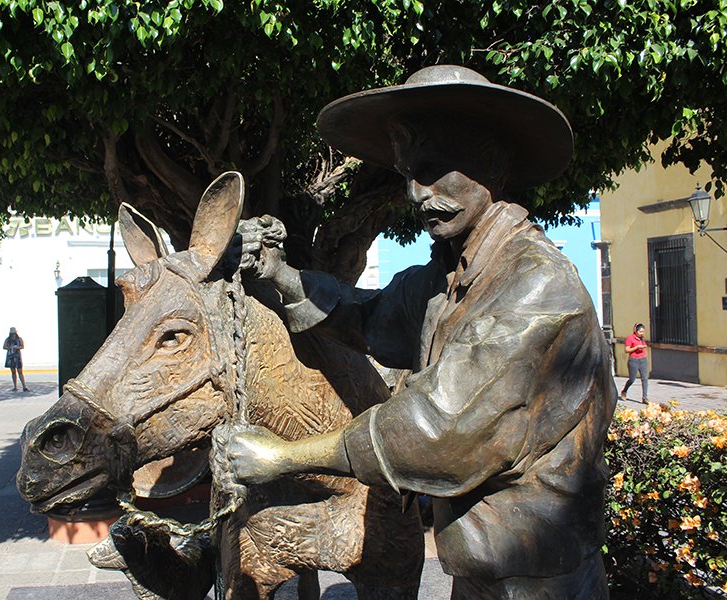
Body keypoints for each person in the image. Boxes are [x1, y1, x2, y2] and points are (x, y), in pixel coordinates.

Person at [219, 65, 616, 599]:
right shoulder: (448, 276)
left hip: (539, 576)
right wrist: (282, 275)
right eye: (408, 173)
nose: (417, 193)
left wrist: (284, 457)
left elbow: (433, 426)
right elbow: (369, 315)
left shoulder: (537, 285)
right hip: (482, 569)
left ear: (491, 167)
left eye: (432, 170)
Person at [620, 323, 649, 403]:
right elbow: (626, 350)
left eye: (643, 331)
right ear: (635, 331)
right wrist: (636, 347)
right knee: (632, 379)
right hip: (633, 361)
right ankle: (624, 391)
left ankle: (644, 397)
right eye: (640, 332)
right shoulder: (630, 338)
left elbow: (644, 345)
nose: (642, 333)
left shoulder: (642, 338)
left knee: (645, 379)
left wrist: (643, 348)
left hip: (643, 360)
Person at [3, 327, 29, 392]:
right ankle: (15, 386)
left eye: (14, 333)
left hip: (17, 357)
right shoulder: (7, 339)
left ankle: (24, 386)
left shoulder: (19, 339)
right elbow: (4, 347)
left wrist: (17, 347)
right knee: (13, 372)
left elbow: (22, 346)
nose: (13, 334)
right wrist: (9, 347)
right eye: (12, 333)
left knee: (20, 371)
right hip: (10, 356)